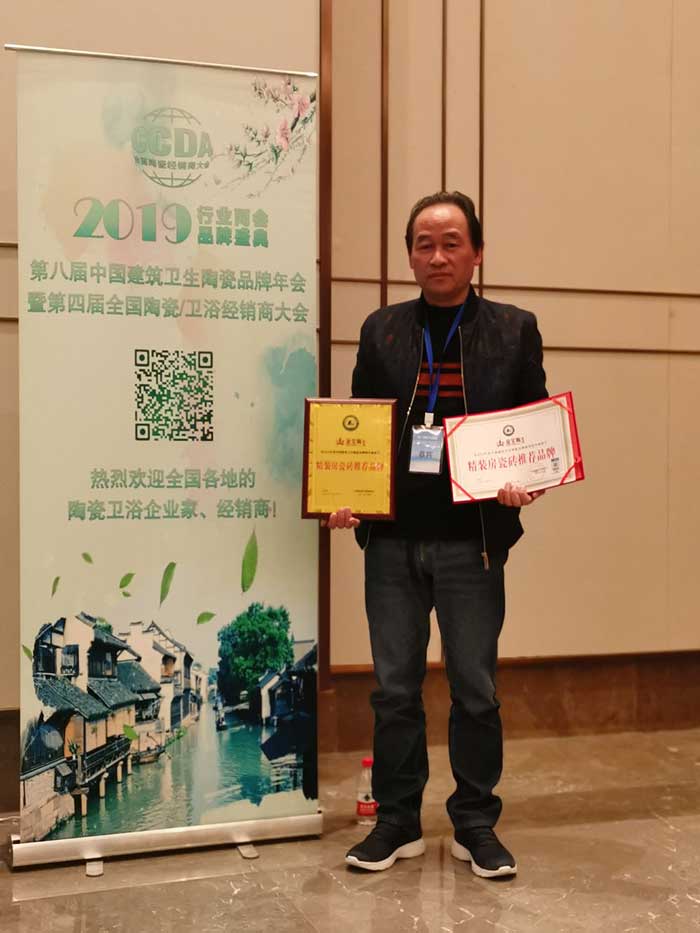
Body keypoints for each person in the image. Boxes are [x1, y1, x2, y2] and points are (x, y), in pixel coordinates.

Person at [326, 191, 548, 878]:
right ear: (410, 255)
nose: (438, 255)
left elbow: (535, 430)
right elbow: (358, 425)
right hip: (392, 541)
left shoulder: (513, 329)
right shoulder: (383, 330)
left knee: (475, 687)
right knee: (394, 688)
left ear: (476, 252)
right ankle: (397, 822)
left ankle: (475, 823)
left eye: (452, 242)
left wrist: (526, 481)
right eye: (424, 243)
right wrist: (343, 494)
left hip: (471, 540)